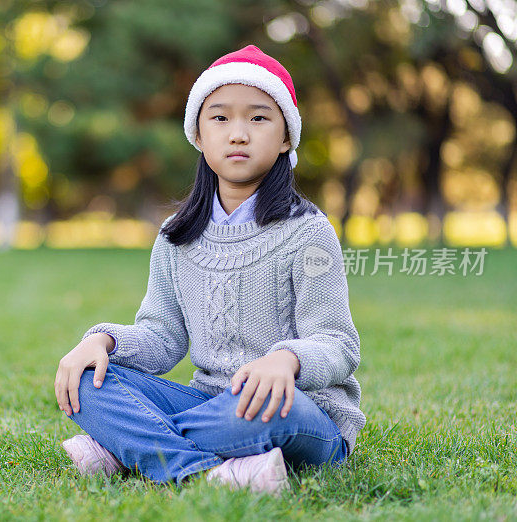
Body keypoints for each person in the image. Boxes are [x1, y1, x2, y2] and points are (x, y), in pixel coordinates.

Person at [54, 45, 365, 494]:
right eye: (220, 118)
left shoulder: (308, 231)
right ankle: (212, 473)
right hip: (211, 403)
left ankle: (128, 447)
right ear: (198, 134)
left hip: (298, 412)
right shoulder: (176, 235)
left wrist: (287, 360)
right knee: (87, 381)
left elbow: (338, 344)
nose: (238, 134)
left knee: (268, 406)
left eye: (258, 118)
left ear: (285, 138)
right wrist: (103, 340)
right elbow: (163, 338)